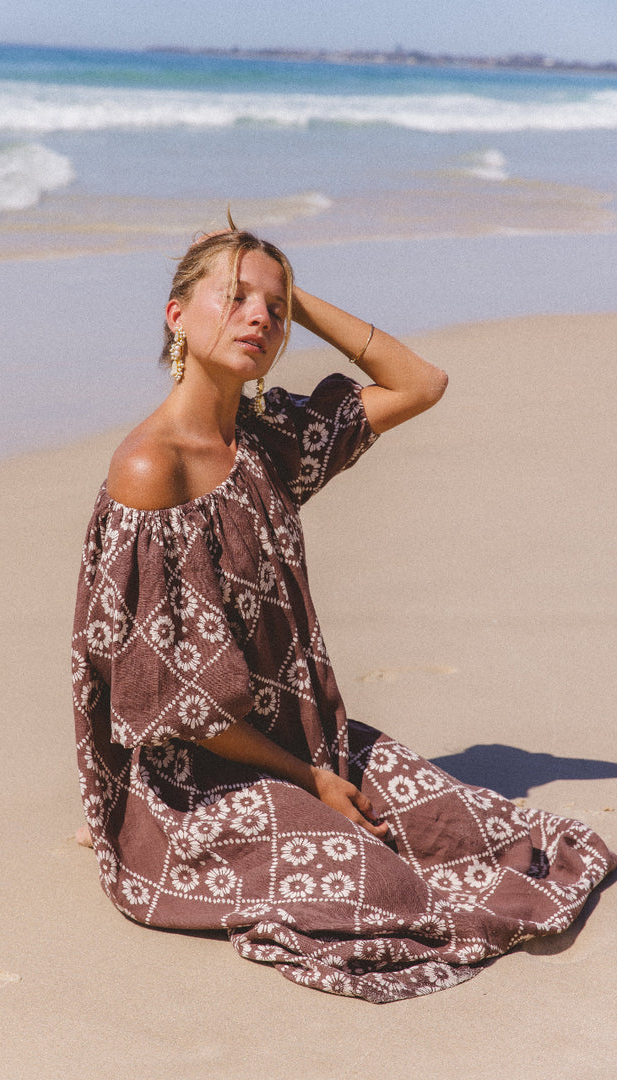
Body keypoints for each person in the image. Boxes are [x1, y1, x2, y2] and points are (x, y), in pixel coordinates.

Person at [72, 224, 615, 1004]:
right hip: (196, 779)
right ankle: (143, 833)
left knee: (486, 833)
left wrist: (295, 299)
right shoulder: (151, 466)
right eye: (234, 297)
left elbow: (420, 383)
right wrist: (314, 783)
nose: (258, 318)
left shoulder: (264, 441)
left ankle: (324, 805)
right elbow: (178, 707)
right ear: (177, 316)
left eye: (275, 308)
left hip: (302, 739)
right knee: (383, 887)